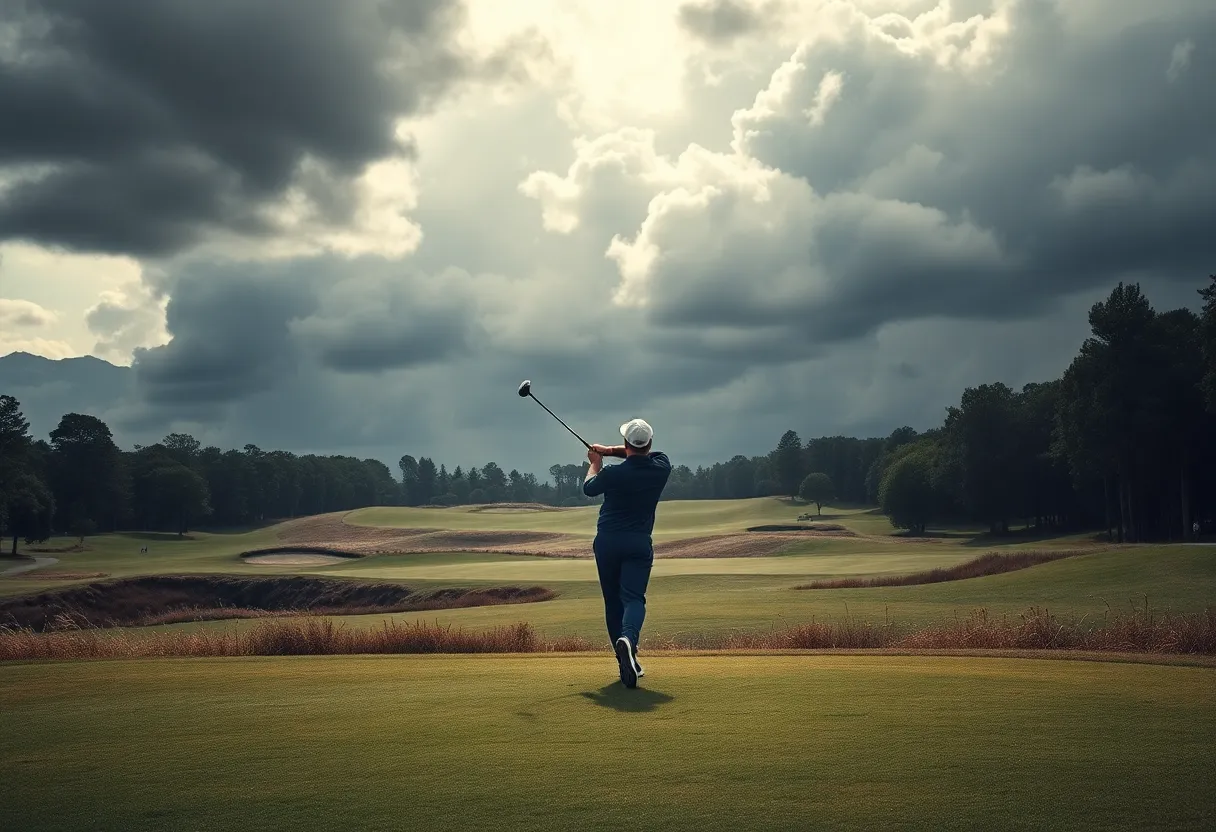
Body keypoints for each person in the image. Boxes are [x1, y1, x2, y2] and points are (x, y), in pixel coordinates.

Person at [583, 418, 671, 689]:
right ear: (650, 443)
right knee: (633, 598)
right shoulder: (661, 467)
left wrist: (596, 462)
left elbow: (589, 487)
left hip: (608, 542)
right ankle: (629, 641)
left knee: (613, 603)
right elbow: (642, 454)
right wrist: (610, 451)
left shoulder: (612, 474)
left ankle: (624, 659)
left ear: (625, 442)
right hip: (638, 543)